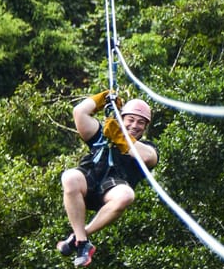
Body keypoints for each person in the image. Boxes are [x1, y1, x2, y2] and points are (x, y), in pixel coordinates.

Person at [56, 90, 158, 266]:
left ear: (145, 127)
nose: (135, 125)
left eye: (141, 122)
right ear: (122, 118)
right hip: (88, 181)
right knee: (69, 177)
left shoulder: (146, 147)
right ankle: (81, 242)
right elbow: (79, 113)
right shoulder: (103, 134)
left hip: (112, 190)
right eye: (130, 120)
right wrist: (102, 99)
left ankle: (81, 236)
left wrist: (120, 137)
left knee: (126, 195)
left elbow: (148, 157)